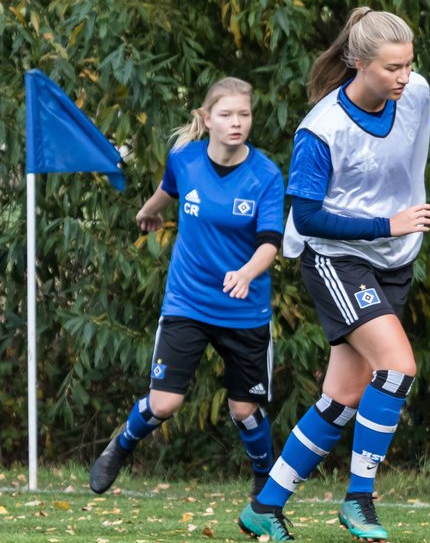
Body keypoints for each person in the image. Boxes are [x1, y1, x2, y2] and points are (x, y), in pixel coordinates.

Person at [238, 8, 430, 543]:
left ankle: (265, 504)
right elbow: (305, 218)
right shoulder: (320, 130)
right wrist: (387, 222)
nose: (404, 77)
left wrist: (397, 230)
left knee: (343, 397)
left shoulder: (415, 93)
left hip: (393, 259)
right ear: (358, 63)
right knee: (396, 367)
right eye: (392, 67)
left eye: (408, 65)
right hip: (334, 257)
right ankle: (359, 499)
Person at [89, 78, 285, 498]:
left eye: (244, 115)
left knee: (244, 410)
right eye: (227, 115)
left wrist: (248, 273)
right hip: (188, 301)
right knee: (163, 404)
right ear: (206, 118)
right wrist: (147, 211)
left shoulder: (266, 174)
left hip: (243, 309)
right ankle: (119, 448)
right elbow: (169, 189)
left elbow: (271, 242)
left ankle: (264, 478)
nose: (236, 123)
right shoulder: (184, 158)